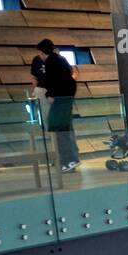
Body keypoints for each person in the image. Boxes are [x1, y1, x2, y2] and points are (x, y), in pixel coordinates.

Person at [37, 39, 79, 173]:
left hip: (60, 98)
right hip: (66, 97)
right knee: (63, 128)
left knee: (58, 127)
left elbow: (53, 81)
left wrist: (51, 94)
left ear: (42, 52)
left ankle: (69, 160)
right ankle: (71, 158)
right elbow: (69, 79)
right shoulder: (60, 60)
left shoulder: (51, 62)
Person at [29, 47, 50, 124]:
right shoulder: (36, 60)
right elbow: (34, 77)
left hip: (54, 92)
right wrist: (35, 91)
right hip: (41, 91)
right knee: (44, 117)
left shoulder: (57, 59)